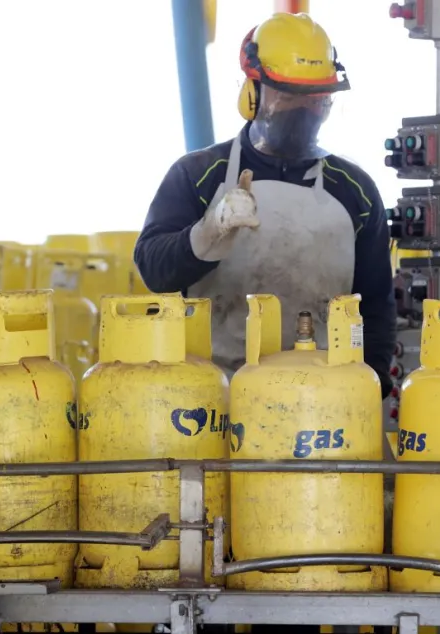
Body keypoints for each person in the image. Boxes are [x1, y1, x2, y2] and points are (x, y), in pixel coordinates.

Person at [134, 12, 397, 397]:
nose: (303, 111)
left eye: (317, 99)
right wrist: (203, 237)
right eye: (288, 96)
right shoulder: (200, 174)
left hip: (321, 398)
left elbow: (374, 303)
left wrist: (371, 386)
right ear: (251, 94)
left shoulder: (354, 189)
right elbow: (154, 270)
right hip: (213, 398)